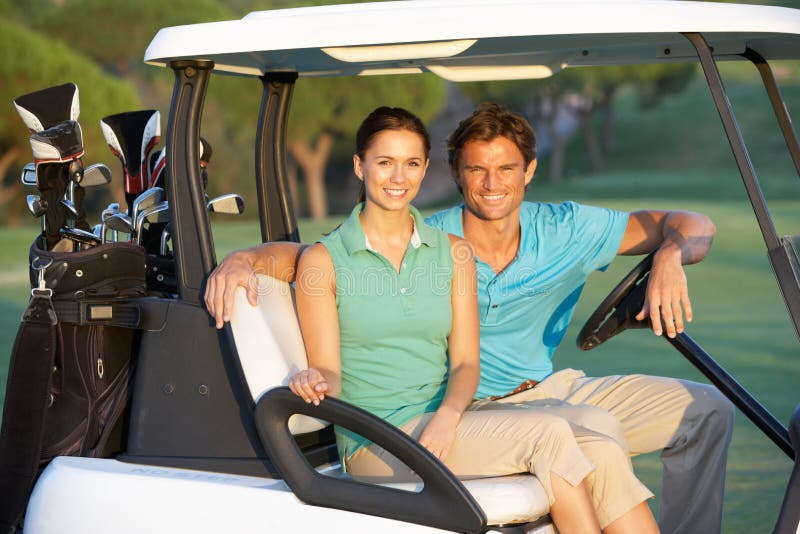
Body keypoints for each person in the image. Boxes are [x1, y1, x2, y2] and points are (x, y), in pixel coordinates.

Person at [205, 103, 732, 533]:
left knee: (697, 411)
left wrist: (667, 255)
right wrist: (244, 258)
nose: (492, 183)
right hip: (438, 417)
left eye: (506, 168)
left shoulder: (477, 246)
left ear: (528, 171)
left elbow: (691, 224)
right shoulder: (377, 249)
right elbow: (308, 261)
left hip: (529, 392)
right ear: (456, 175)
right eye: (477, 169)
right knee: (569, 436)